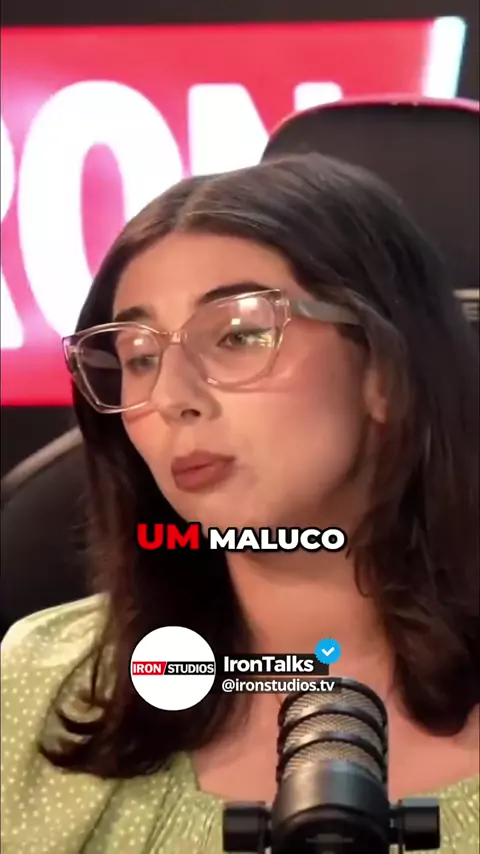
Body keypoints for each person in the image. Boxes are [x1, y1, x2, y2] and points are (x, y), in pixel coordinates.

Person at [1, 154, 478, 854]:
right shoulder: (37, 686)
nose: (171, 397)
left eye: (238, 335)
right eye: (139, 357)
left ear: (384, 369)